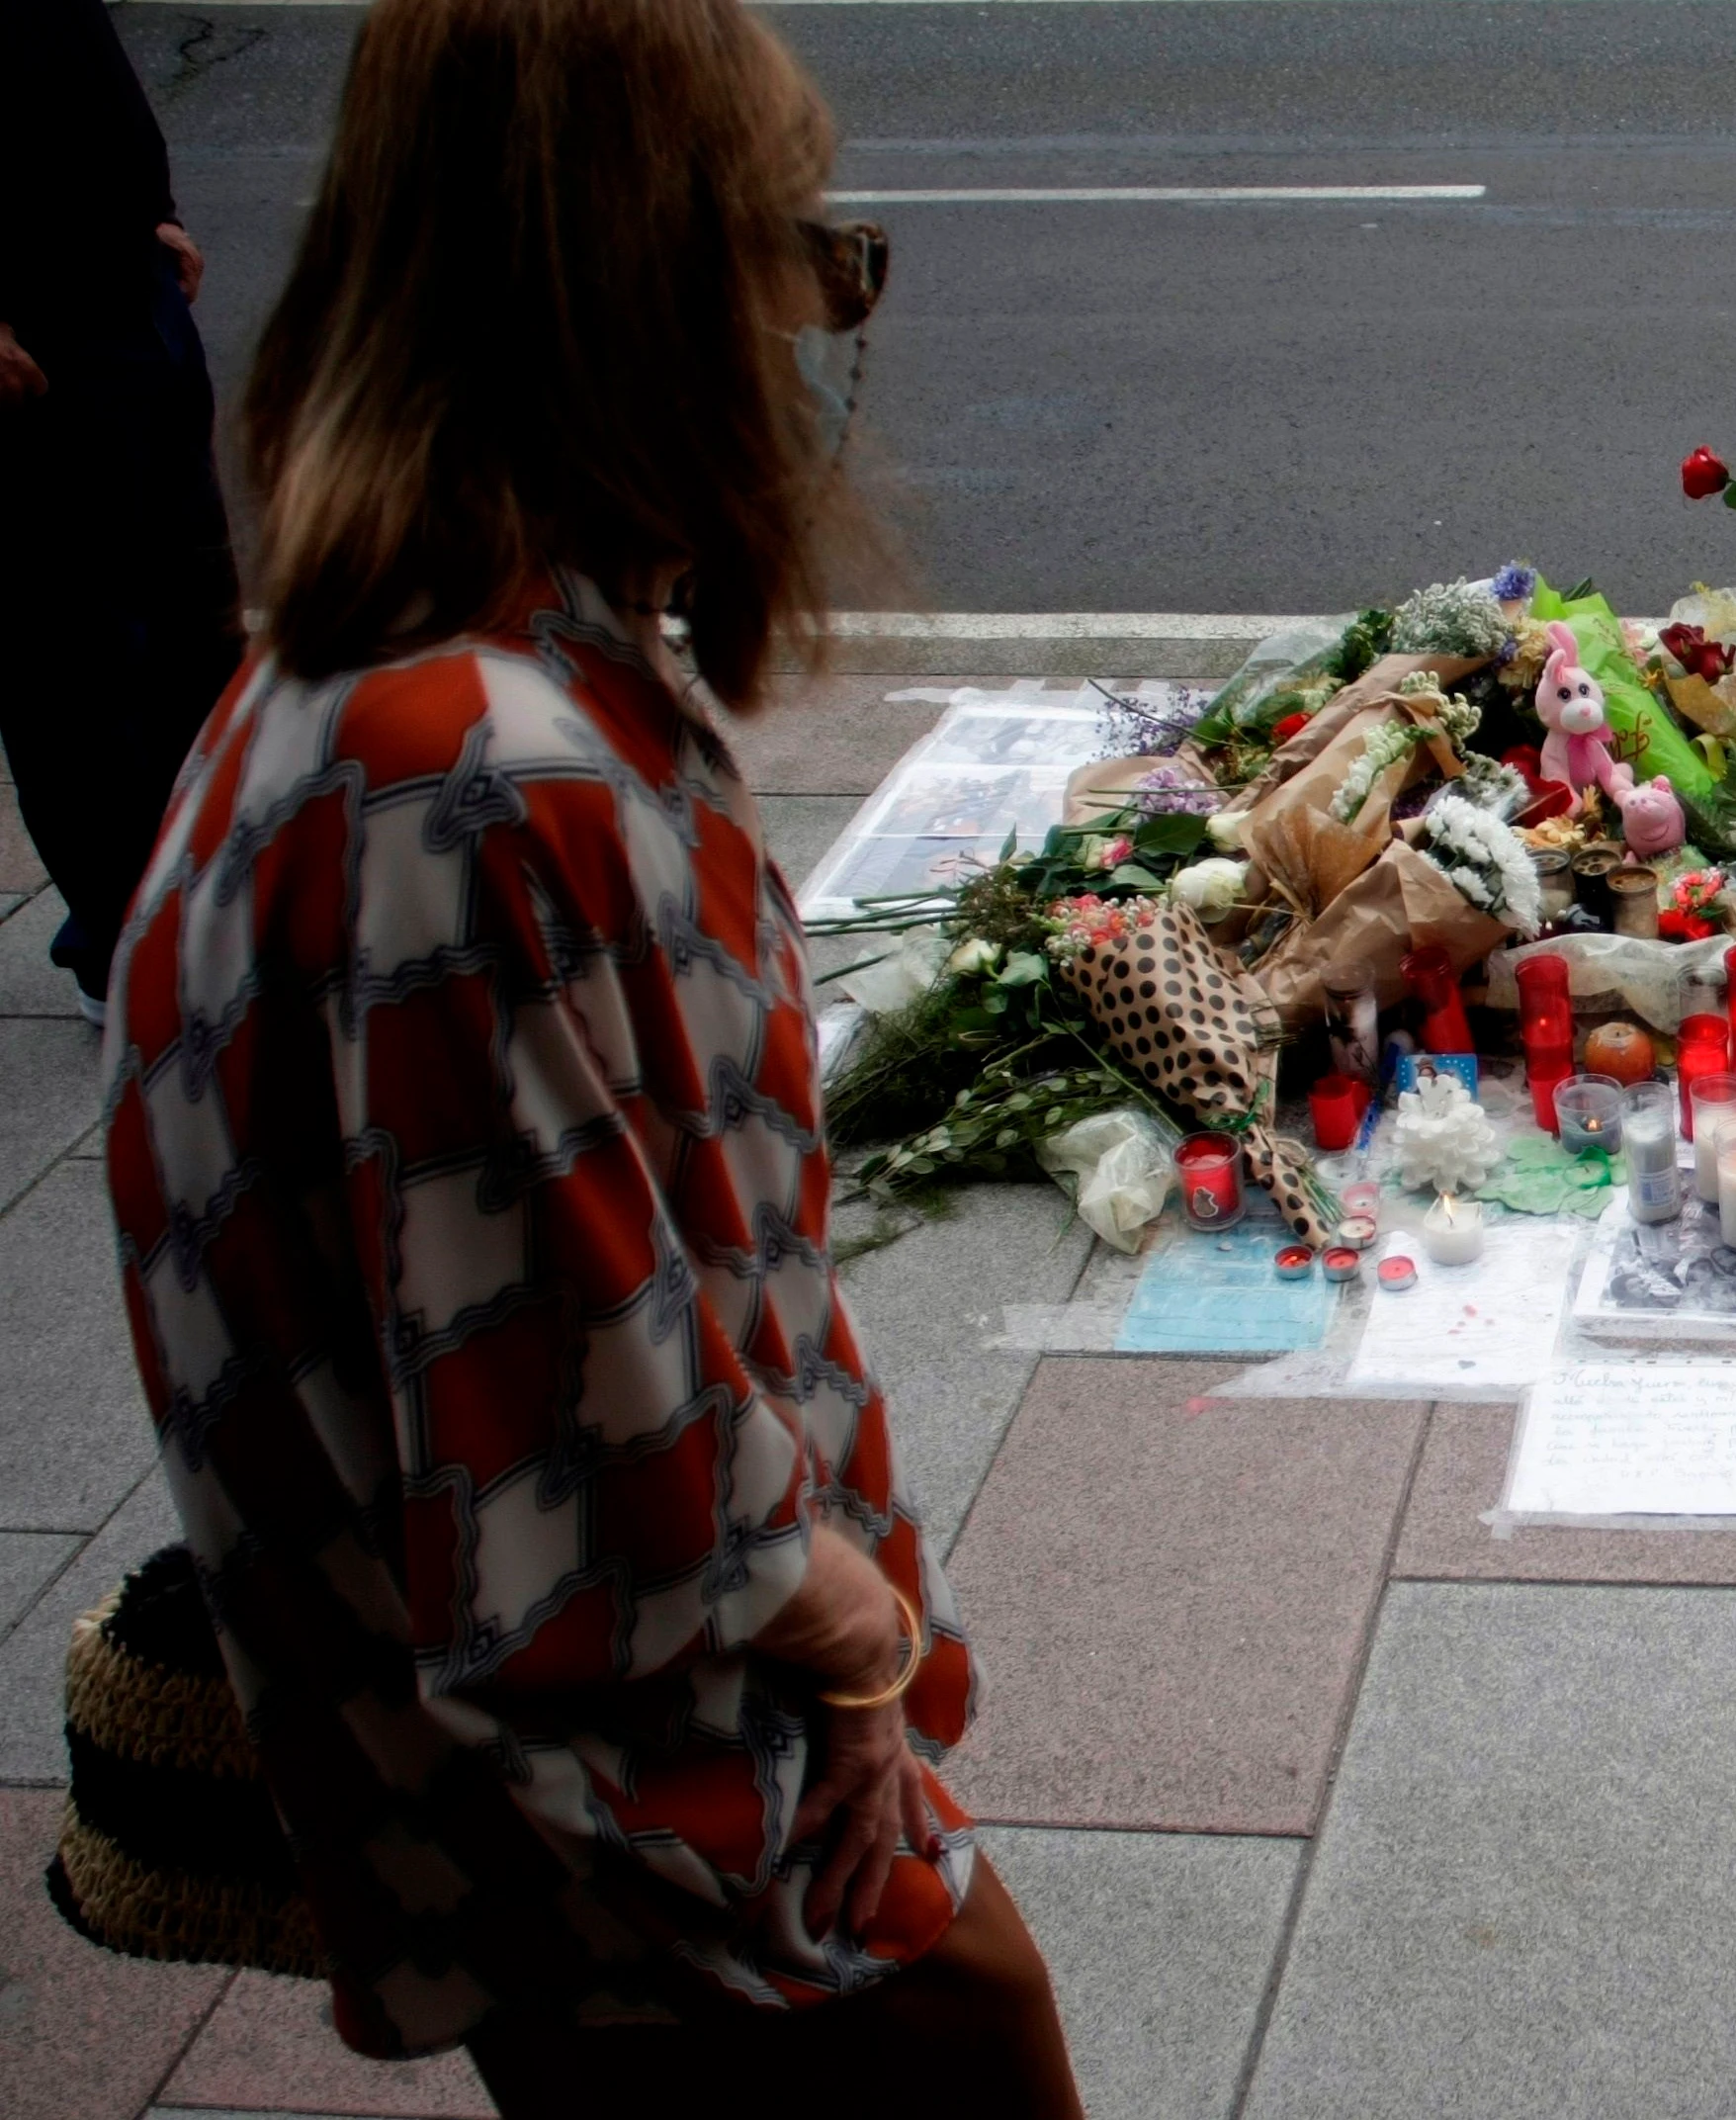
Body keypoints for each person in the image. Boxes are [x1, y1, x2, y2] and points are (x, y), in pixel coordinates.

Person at [99, 0, 1080, 2110]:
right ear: (639, 283)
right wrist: (866, 1653)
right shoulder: (470, 780)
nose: (821, 332)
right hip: (673, 1850)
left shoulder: (394, 687)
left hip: (597, 1838)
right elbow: (619, 1501)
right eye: (795, 250)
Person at [0, 0, 246, 1021]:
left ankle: (209, 908)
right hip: (40, 349)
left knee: (195, 630)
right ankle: (124, 945)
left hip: (126, 290)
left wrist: (153, 207)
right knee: (77, 659)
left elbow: (71, 47)